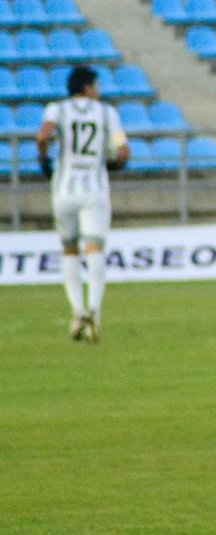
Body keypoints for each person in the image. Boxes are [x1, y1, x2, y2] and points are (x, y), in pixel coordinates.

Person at [36, 65, 130, 344]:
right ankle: (94, 313)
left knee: (69, 250)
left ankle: (77, 312)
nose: (99, 91)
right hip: (95, 190)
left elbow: (43, 136)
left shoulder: (57, 109)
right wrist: (112, 162)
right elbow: (123, 152)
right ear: (88, 87)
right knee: (95, 249)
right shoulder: (106, 112)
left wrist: (44, 160)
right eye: (96, 86)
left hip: (64, 189)